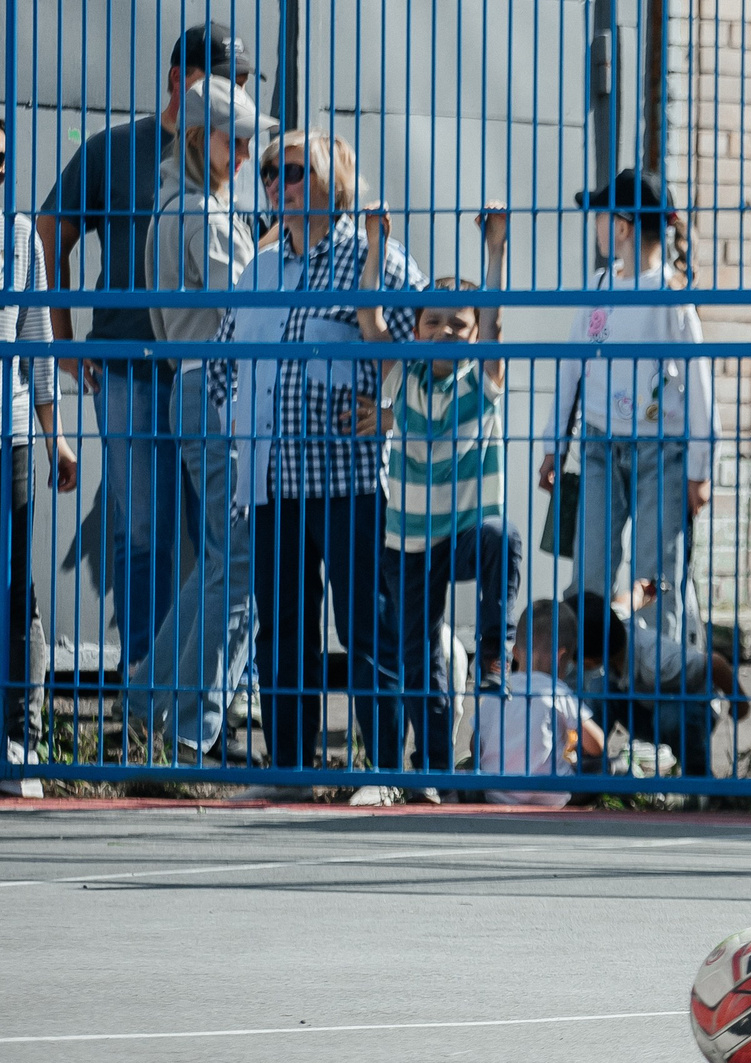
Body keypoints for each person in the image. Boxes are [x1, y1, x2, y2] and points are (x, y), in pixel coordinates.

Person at [36, 21, 254, 700]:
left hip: (210, 373)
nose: (232, 96)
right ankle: (145, 692)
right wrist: (66, 346)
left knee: (219, 540)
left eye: (241, 84)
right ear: (175, 78)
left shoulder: (231, 158)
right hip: (128, 367)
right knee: (141, 536)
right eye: (221, 80)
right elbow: (50, 231)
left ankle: (199, 696)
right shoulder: (113, 151)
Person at [212, 130, 420, 795]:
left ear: (333, 183)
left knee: (364, 626)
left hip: (348, 480)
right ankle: (291, 769)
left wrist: (392, 416)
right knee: (283, 632)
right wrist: (236, 426)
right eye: (271, 172)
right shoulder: (261, 269)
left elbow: (434, 352)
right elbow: (222, 361)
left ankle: (382, 770)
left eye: (293, 171)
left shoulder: (375, 259)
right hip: (272, 479)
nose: (277, 183)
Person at [539, 167, 717, 756]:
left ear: (619, 226)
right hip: (594, 448)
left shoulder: (671, 297)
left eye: (600, 215)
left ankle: (656, 726)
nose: (594, 225)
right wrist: (551, 445)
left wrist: (698, 468)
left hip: (657, 455)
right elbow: (571, 367)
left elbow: (698, 386)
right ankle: (581, 717)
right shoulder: (597, 285)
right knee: (587, 579)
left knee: (651, 583)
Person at [132, 76, 274, 760]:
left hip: (191, 386)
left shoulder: (171, 205)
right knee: (242, 565)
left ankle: (149, 698)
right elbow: (247, 309)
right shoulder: (204, 216)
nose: (246, 154)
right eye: (234, 140)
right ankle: (192, 730)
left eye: (249, 141)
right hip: (218, 391)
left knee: (220, 558)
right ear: (198, 138)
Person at [367, 209, 521, 783]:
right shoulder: (402, 374)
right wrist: (377, 242)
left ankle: (492, 654)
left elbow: (497, 318)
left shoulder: (481, 381)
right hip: (407, 538)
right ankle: (428, 770)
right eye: (433, 322)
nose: (445, 332)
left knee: (502, 539)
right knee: (417, 656)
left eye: (459, 325)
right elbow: (369, 315)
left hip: (459, 532)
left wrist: (496, 250)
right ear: (418, 329)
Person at [3, 127, 83, 796]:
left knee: (14, 589)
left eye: (1, 158)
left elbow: (37, 344)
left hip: (12, 435)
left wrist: (54, 434)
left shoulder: (18, 232)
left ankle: (21, 740)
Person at [561, 589, 750, 784]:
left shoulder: (660, 663)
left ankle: (699, 781)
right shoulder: (613, 627)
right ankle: (588, 768)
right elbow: (622, 605)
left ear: (592, 658)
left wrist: (740, 705)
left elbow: (715, 664)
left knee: (670, 716)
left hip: (691, 712)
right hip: (646, 704)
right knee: (600, 688)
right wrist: (640, 592)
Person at [465, 599, 605, 808]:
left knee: (468, 765)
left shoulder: (499, 690)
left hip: (498, 794)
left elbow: (475, 744)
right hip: (553, 795)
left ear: (515, 652)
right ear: (562, 656)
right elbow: (597, 745)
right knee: (602, 767)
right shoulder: (558, 692)